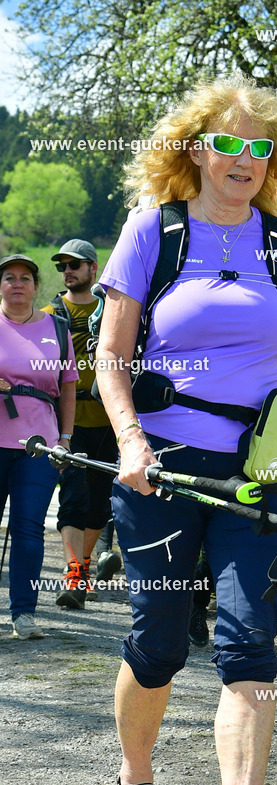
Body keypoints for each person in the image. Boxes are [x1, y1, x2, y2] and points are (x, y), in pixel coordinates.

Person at [95, 73, 277, 785]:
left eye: (260, 147)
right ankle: (136, 780)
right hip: (159, 468)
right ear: (195, 148)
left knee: (250, 646)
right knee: (159, 641)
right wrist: (130, 441)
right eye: (228, 142)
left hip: (257, 474)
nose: (243, 158)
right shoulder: (153, 231)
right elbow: (111, 356)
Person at [0, 254, 77, 638]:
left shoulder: (57, 328)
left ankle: (23, 614)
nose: (17, 283)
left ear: (35, 286)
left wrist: (65, 439)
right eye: (9, 277)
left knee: (28, 528)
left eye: (25, 278)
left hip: (39, 446)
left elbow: (68, 388)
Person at [42, 239, 122, 609]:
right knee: (73, 497)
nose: (67, 271)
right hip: (68, 425)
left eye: (74, 264)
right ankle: (73, 574)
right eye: (62, 266)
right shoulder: (49, 315)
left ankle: (83, 567)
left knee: (100, 502)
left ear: (93, 268)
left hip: (109, 422)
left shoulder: (115, 310)